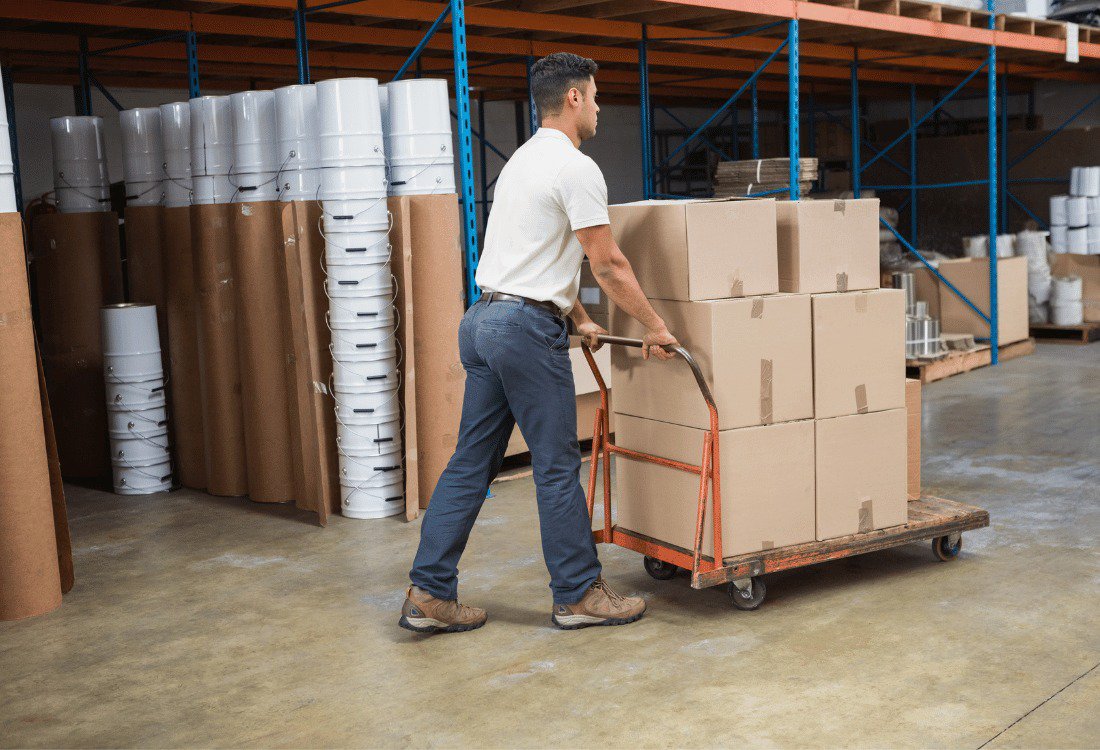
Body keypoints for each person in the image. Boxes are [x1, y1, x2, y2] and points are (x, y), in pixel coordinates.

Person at [400, 52, 679, 634]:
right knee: (556, 467)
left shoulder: (524, 161)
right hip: (523, 332)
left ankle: (428, 593)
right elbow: (607, 262)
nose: (600, 106)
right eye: (596, 96)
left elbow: (534, 254)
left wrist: (577, 315)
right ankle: (578, 593)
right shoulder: (576, 168)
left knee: (470, 465)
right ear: (574, 98)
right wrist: (655, 326)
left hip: (484, 320)